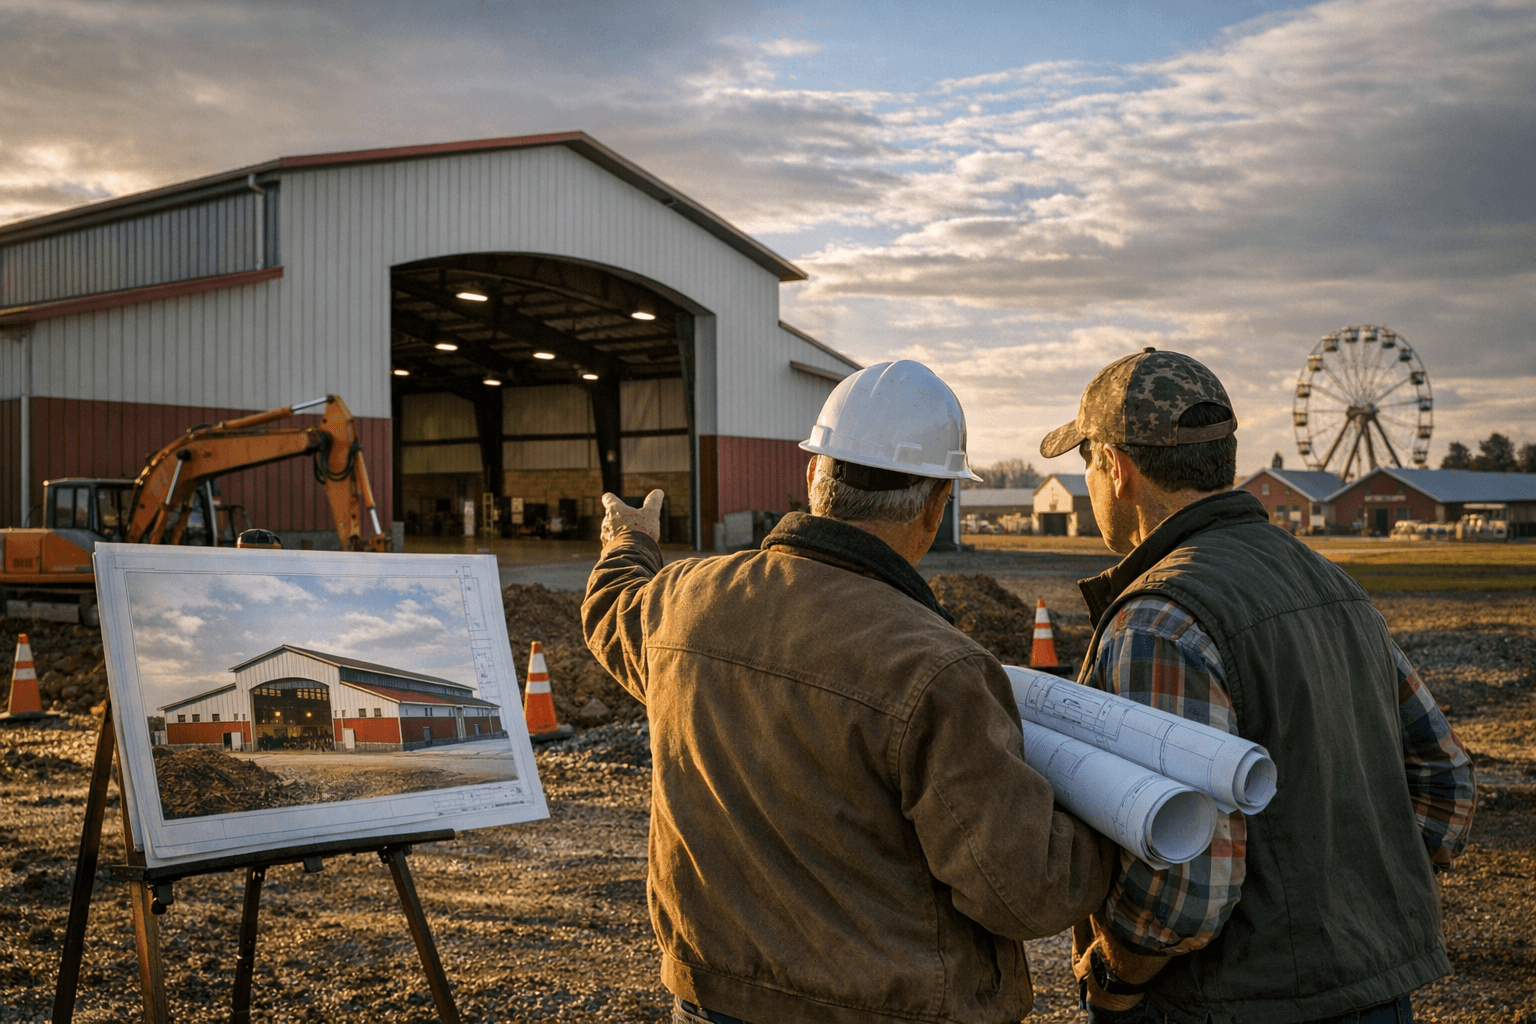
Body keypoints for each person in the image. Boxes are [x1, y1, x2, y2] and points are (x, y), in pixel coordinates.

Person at [584, 359, 1113, 1024]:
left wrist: (627, 540)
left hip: (711, 1001)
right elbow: (1022, 888)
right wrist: (1117, 827)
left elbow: (612, 608)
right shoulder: (940, 670)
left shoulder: (684, 605)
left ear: (814, 476)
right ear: (937, 503)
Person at [1039, 348, 1475, 1024]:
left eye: (1085, 465)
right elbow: (1445, 782)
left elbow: (1186, 880)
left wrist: (1116, 977)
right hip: (1376, 992)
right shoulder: (1333, 585)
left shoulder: (1159, 620)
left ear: (1115, 469)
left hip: (1233, 1002)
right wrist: (1348, 903)